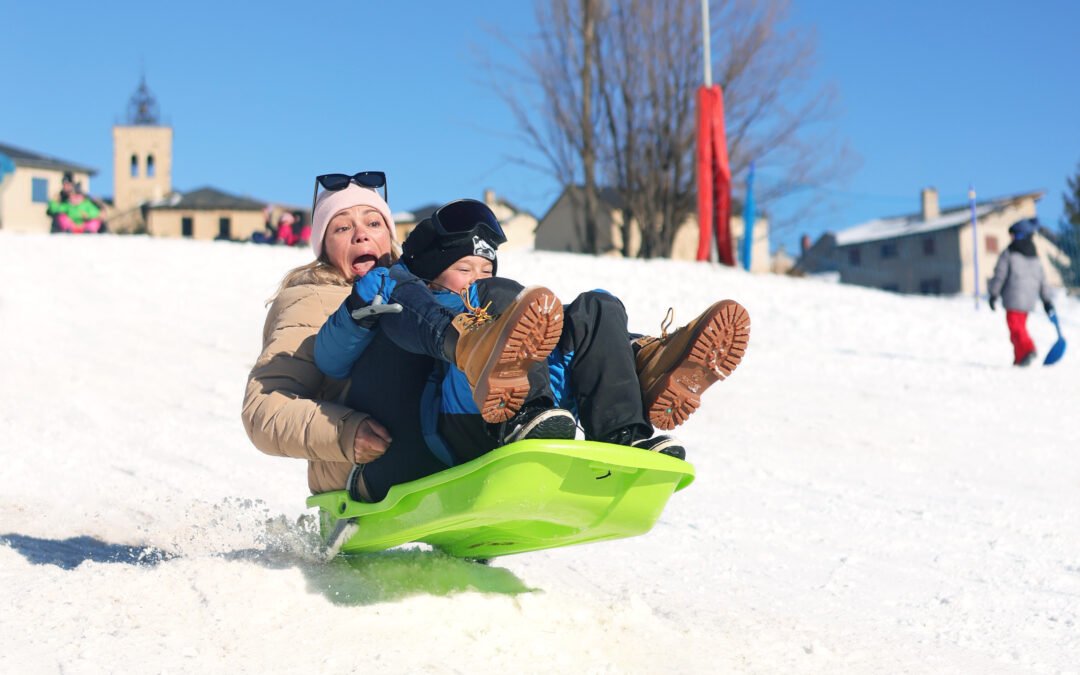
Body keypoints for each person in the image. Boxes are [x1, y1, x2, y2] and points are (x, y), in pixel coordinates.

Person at [315, 199, 751, 501]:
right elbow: (328, 357)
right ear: (431, 275)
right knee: (500, 299)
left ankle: (627, 425)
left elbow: (546, 335)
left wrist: (605, 342)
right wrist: (370, 304)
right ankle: (517, 400)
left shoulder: (512, 315)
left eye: (483, 268)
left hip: (526, 401)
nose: (473, 277)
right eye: (463, 268)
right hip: (455, 424)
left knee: (596, 306)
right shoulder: (408, 294)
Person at [243, 175, 561, 499]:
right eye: (342, 227)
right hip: (373, 454)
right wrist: (345, 432)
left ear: (389, 235)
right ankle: (470, 353)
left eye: (373, 223)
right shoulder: (310, 299)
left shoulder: (425, 282)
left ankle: (539, 419)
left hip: (440, 428)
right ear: (323, 244)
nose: (361, 234)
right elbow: (264, 410)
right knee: (397, 300)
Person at [987, 218, 1055, 366]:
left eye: (1011, 235)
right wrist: (1046, 300)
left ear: (1019, 235)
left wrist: (993, 294)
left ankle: (1028, 349)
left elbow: (1000, 274)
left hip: (1013, 296)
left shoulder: (1009, 253)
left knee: (1016, 327)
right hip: (1029, 299)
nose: (1010, 238)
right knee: (1018, 328)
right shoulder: (1035, 256)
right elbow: (1042, 280)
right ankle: (1019, 359)